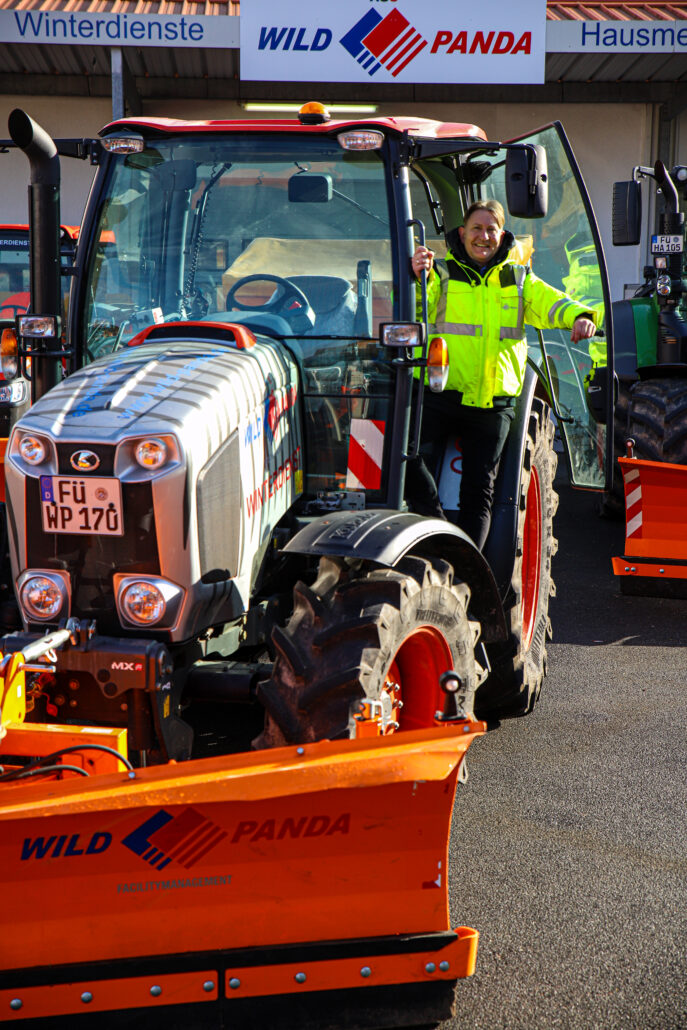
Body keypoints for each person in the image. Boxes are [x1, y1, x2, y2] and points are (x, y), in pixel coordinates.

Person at [405, 198, 597, 550]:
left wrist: (581, 316)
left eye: (490, 229)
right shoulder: (441, 274)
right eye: (476, 229)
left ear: (502, 234)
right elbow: (412, 307)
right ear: (462, 234)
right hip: (442, 394)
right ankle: (434, 522)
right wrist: (413, 273)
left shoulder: (519, 278)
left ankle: (465, 569)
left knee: (480, 492)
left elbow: (554, 303)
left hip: (494, 405)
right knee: (401, 451)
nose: (483, 236)